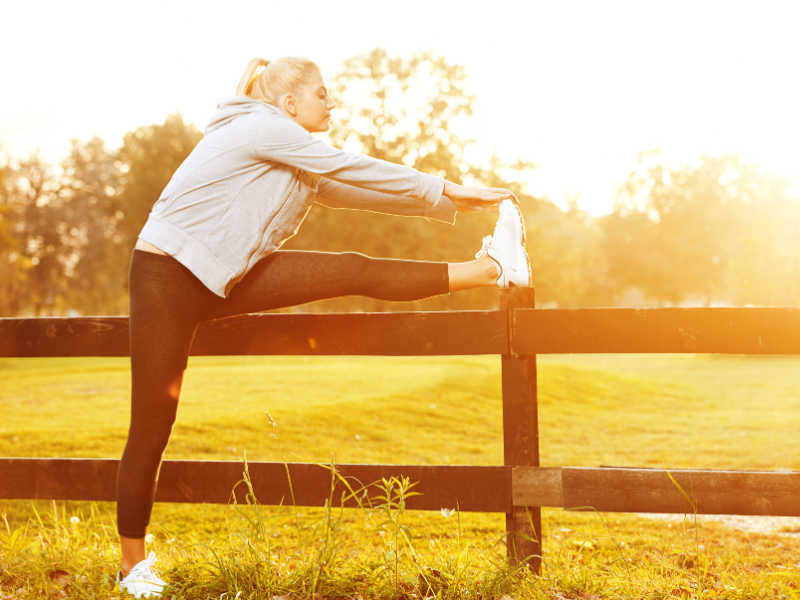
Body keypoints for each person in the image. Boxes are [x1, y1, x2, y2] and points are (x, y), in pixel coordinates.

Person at [115, 56, 530, 598]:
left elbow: (361, 190)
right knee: (152, 424)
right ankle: (131, 567)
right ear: (290, 104)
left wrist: (446, 203)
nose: (332, 103)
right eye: (322, 94)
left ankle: (493, 268)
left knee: (352, 267)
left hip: (226, 275)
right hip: (166, 276)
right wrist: (450, 188)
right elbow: (355, 167)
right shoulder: (262, 127)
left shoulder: (297, 158)